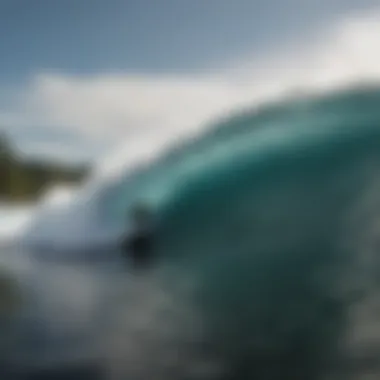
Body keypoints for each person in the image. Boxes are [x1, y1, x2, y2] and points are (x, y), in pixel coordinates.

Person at [121, 203, 156, 271]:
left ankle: (141, 266)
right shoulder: (135, 238)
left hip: (141, 243)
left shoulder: (143, 237)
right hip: (139, 244)